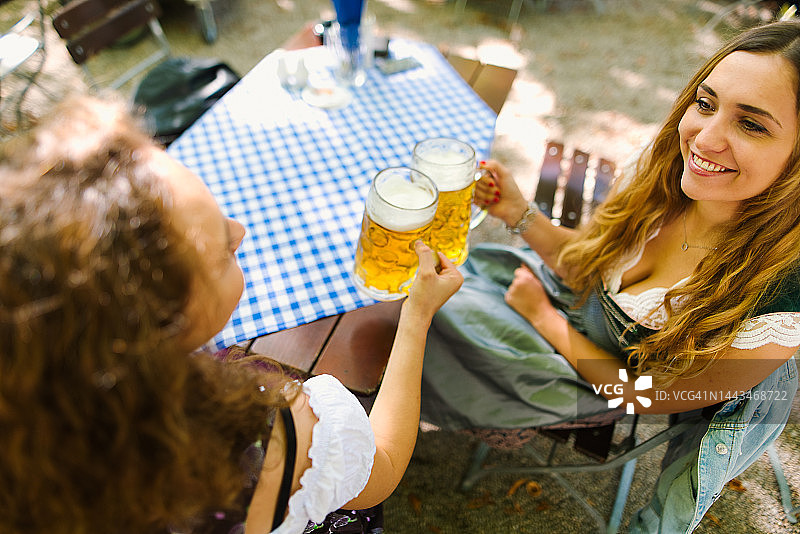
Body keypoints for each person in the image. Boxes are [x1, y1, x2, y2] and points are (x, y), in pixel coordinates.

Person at [0, 95, 463, 534]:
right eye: (222, 250)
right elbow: (381, 466)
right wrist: (416, 315)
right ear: (163, 323)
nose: (239, 231)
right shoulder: (266, 436)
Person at [419, 19, 800, 533]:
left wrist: (546, 320)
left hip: (602, 380)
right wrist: (518, 213)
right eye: (705, 103)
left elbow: (645, 397)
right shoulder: (666, 171)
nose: (704, 139)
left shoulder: (779, 302)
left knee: (414, 319)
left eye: (752, 125)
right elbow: (590, 262)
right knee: (414, 291)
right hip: (564, 304)